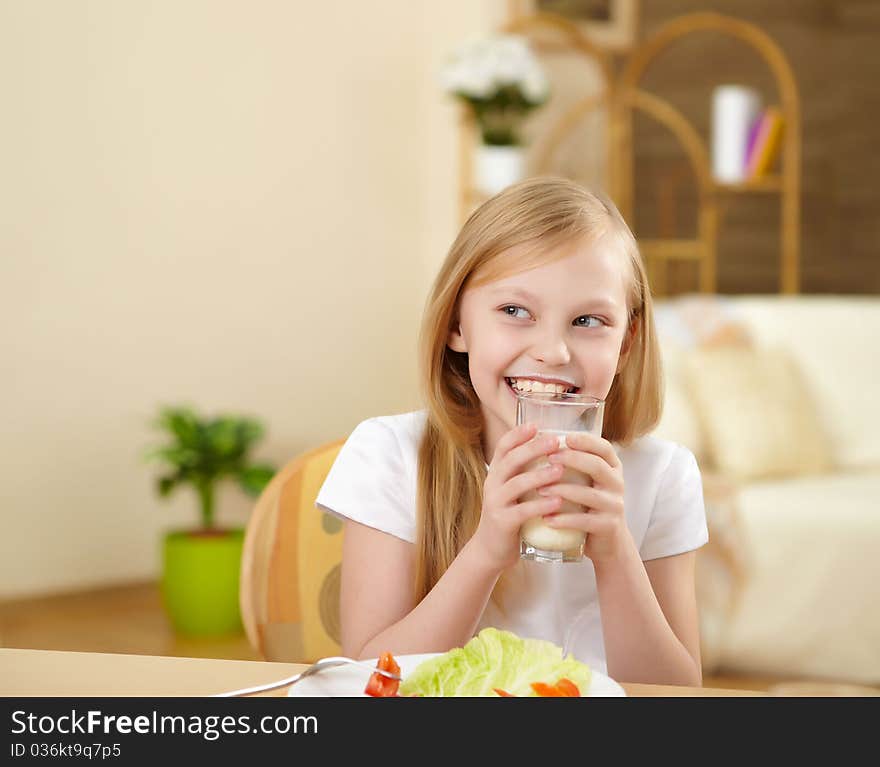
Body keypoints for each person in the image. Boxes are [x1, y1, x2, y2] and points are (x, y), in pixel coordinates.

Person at [316, 177, 708, 686]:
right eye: (515, 311)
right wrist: (486, 551)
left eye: (588, 320)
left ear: (627, 343)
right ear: (458, 323)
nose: (552, 351)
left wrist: (614, 551)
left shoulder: (663, 476)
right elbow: (372, 679)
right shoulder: (390, 456)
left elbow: (678, 695)